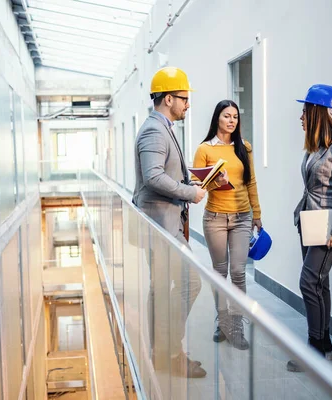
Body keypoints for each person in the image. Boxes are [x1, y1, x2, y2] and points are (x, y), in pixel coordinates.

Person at [133, 66, 207, 378]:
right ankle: (170, 352)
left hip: (164, 223)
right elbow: (152, 177)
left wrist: (192, 177)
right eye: (183, 98)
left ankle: (162, 353)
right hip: (160, 226)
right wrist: (189, 192)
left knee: (161, 289)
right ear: (167, 99)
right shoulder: (153, 130)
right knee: (190, 282)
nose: (187, 104)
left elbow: (163, 169)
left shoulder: (161, 127)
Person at [287, 84, 332, 372]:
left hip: (327, 226)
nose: (301, 117)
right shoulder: (315, 148)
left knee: (308, 282)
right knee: (319, 283)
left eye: (304, 111)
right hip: (309, 222)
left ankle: (314, 350)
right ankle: (324, 346)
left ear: (317, 112)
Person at [192, 100, 262, 350]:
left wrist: (257, 213)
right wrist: (214, 181)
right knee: (220, 273)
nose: (232, 121)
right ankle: (222, 322)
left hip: (242, 217)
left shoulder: (244, 147)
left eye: (235, 116)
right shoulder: (205, 149)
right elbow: (195, 185)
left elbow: (251, 182)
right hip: (215, 218)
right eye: (226, 116)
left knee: (239, 272)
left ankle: (236, 326)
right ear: (217, 119)